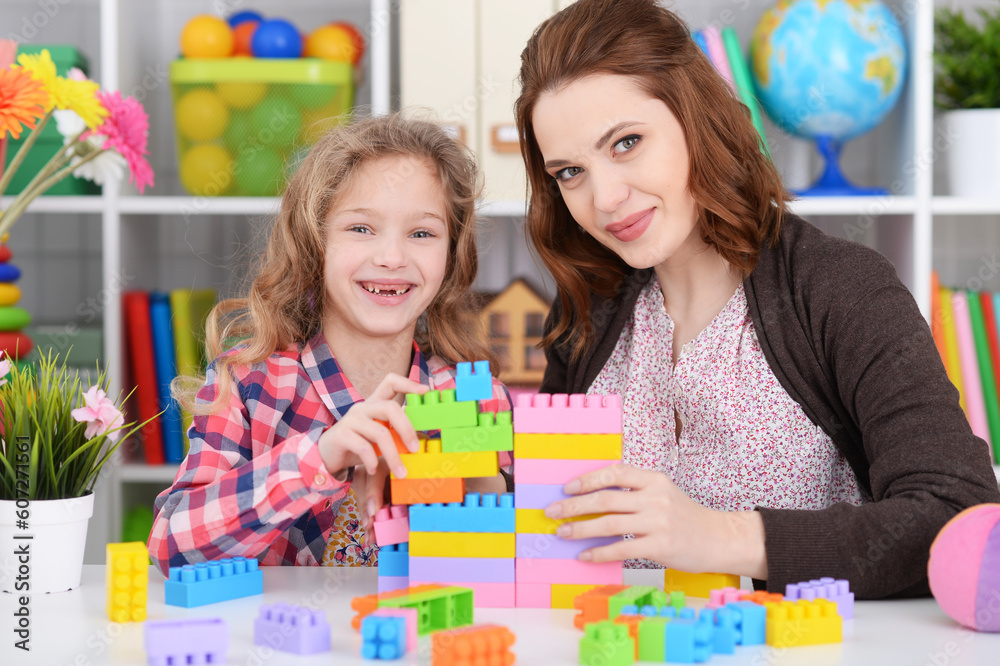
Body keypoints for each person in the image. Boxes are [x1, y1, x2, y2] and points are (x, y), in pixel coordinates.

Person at [513, 0, 1000, 598]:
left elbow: (958, 512)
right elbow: (554, 529)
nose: (605, 198)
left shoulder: (841, 289)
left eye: (626, 142)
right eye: (569, 172)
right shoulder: (588, 308)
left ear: (697, 120)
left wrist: (719, 537)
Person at [148, 113, 510, 574]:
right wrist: (320, 456)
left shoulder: (474, 396)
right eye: (361, 228)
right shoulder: (249, 385)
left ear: (451, 254)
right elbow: (170, 546)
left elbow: (523, 572)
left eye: (422, 233)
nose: (392, 257)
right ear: (315, 242)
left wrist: (486, 490)